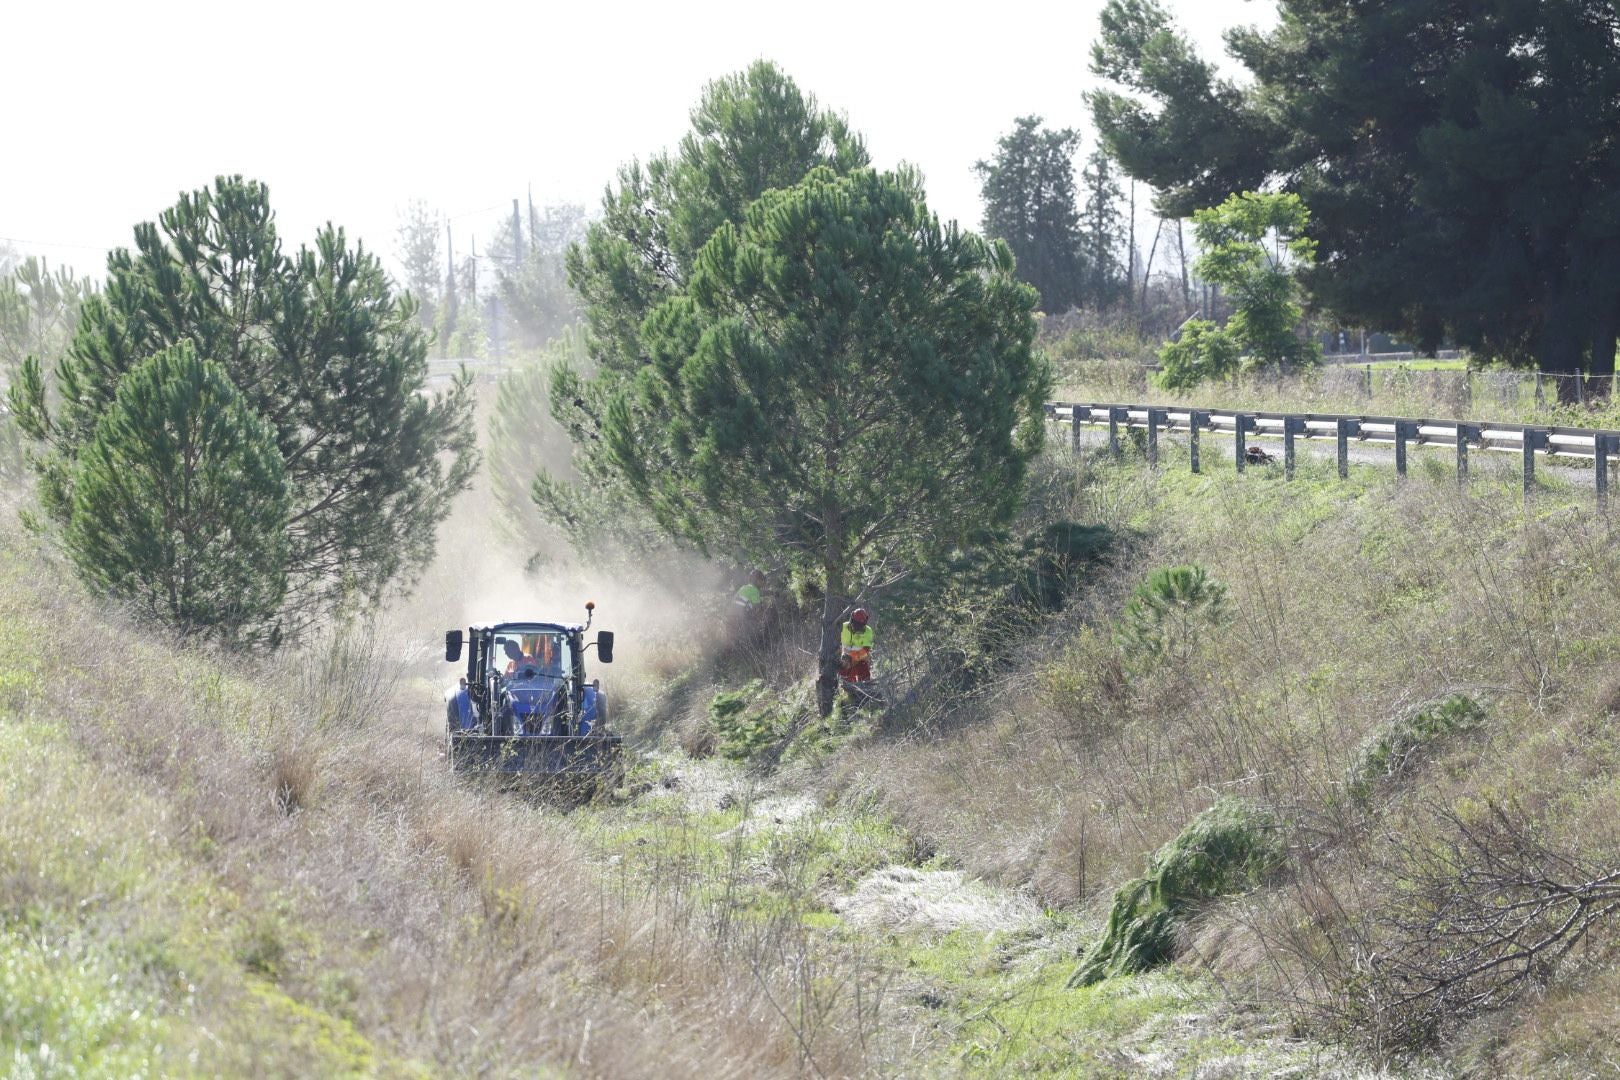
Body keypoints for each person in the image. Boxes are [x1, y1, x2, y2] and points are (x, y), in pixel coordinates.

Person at [839, 607, 874, 685]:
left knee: (863, 668)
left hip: (860, 658)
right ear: (852, 620)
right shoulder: (843, 627)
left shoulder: (868, 631)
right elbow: (835, 643)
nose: (858, 627)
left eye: (860, 625)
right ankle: (847, 687)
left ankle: (865, 687)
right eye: (857, 624)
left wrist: (852, 657)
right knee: (843, 670)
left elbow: (866, 650)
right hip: (845, 657)